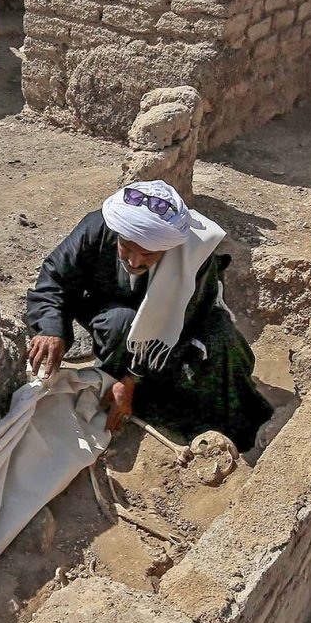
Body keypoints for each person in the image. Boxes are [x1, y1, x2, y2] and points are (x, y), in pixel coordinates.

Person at [24, 179, 272, 450]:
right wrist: (51, 329)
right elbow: (54, 278)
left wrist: (133, 379)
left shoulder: (192, 257)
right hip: (113, 314)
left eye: (147, 254)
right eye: (126, 248)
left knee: (218, 343)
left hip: (182, 323)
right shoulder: (97, 227)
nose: (134, 262)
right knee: (121, 323)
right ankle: (118, 385)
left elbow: (181, 321)